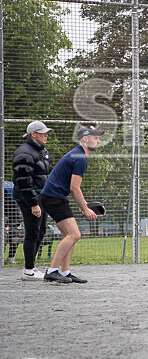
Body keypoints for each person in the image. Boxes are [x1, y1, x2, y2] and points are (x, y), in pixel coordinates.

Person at [38, 125, 104, 283]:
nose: (99, 141)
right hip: (54, 198)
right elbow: (74, 188)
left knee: (70, 236)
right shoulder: (80, 157)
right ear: (85, 139)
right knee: (74, 234)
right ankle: (52, 271)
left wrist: (84, 204)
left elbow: (72, 187)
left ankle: (65, 271)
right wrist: (85, 209)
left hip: (53, 197)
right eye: (95, 138)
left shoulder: (77, 154)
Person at [11, 121, 53, 280]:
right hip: (29, 199)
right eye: (43, 133)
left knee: (40, 231)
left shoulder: (43, 151)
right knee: (32, 232)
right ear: (33, 134)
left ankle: (31, 267)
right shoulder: (24, 153)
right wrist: (34, 203)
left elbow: (46, 175)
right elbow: (23, 181)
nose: (46, 135)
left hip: (42, 196)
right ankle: (28, 270)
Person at [4, 182, 23, 263]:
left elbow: (18, 219)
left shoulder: (11, 204)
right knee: (3, 236)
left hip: (9, 227)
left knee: (15, 235)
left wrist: (8, 225)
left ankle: (11, 257)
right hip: (3, 227)